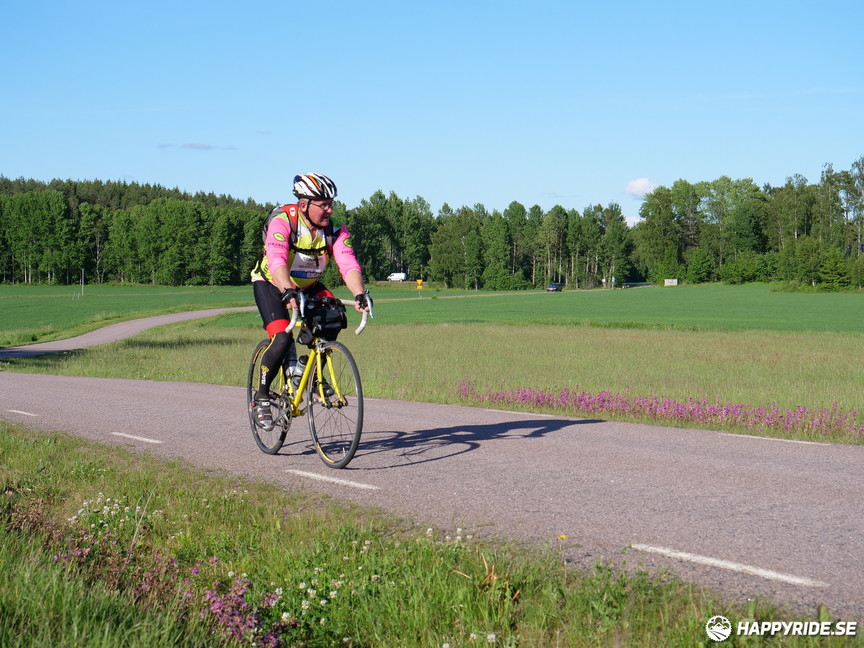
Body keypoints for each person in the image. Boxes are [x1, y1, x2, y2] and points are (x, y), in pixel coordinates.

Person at [250, 173, 371, 430]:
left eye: (331, 203)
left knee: (334, 317)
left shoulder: (335, 230)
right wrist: (287, 289)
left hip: (309, 285)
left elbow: (348, 263)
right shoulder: (284, 222)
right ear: (304, 204)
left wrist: (359, 293)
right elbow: (277, 260)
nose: (329, 209)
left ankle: (311, 372)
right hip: (272, 283)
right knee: (282, 338)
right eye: (323, 204)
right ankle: (261, 396)